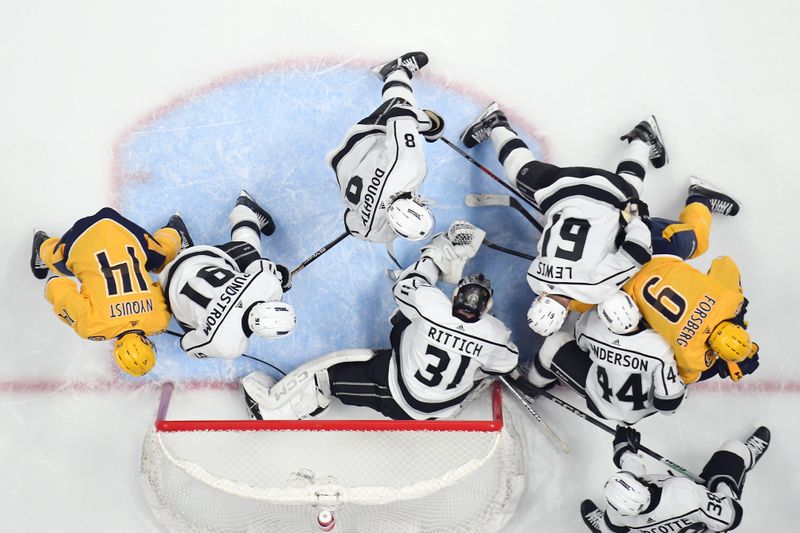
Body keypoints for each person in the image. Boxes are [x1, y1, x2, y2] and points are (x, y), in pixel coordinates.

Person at [241, 220, 520, 421]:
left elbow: (410, 283)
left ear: (455, 295)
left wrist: (440, 249)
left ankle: (270, 414)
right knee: (473, 360)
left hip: (401, 396)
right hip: (445, 408)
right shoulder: (495, 333)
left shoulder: (431, 305)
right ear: (488, 306)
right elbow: (507, 363)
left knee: (327, 377)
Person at [460, 104, 663, 336]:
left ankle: (643, 138)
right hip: (561, 186)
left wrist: (636, 216)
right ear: (538, 301)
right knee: (519, 171)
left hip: (610, 191)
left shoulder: (596, 290)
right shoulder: (535, 278)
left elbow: (638, 252)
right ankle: (496, 124)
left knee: (629, 190)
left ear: (565, 314)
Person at [623, 177, 759, 384]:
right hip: (618, 280)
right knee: (584, 301)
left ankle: (700, 197)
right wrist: (718, 365)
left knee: (699, 239)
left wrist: (738, 310)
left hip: (654, 244)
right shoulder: (694, 359)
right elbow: (684, 379)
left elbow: (724, 262)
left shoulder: (729, 300)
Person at [29, 207, 192, 376]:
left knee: (163, 258)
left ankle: (176, 230)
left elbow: (166, 283)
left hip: (126, 232)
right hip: (81, 238)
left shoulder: (159, 320)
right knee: (61, 265)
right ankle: (41, 244)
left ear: (147, 343)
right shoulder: (91, 328)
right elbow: (55, 284)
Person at [158, 191, 295, 359]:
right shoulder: (228, 348)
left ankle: (245, 211)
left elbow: (258, 264)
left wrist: (280, 277)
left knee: (249, 252)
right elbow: (186, 344)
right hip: (168, 286)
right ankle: (178, 239)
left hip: (205, 258)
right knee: (192, 320)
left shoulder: (267, 284)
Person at [326, 51, 445, 244]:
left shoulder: (408, 167)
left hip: (364, 139)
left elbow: (401, 114)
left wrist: (433, 125)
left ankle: (395, 72)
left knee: (401, 104)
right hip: (343, 165)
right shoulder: (374, 233)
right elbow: (351, 225)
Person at [523, 290, 686, 425]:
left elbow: (581, 346)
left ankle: (530, 388)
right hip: (640, 411)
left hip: (600, 402)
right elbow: (668, 405)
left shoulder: (592, 327)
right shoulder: (660, 346)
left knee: (554, 343)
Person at [580, 424, 771, 532]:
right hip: (705, 522)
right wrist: (720, 485)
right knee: (733, 450)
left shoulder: (619, 512)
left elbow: (632, 474)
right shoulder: (683, 495)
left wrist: (624, 450)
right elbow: (733, 516)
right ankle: (746, 457)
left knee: (609, 528)